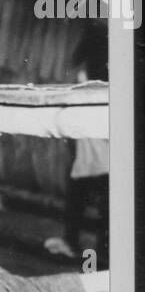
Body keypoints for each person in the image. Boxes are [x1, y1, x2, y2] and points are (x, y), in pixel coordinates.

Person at [44, 25, 109, 269]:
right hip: (89, 134)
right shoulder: (90, 60)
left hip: (99, 132)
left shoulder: (101, 61)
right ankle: (81, 243)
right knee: (89, 189)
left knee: (95, 191)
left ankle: (93, 246)